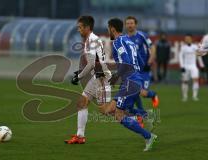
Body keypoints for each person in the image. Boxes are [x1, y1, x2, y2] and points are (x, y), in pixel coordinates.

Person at [99, 18, 157, 152]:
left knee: (118, 115)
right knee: (110, 111)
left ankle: (148, 136)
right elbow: (140, 61)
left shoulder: (118, 42)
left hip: (130, 82)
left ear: (112, 28)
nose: (108, 31)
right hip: (135, 79)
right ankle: (146, 115)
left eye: (108, 28)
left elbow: (125, 62)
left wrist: (115, 76)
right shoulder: (129, 40)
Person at [64, 16, 111, 144]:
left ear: (87, 27)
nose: (78, 30)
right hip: (96, 77)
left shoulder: (91, 41)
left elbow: (91, 64)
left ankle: (135, 118)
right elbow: (93, 62)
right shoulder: (92, 39)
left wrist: (79, 76)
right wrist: (80, 73)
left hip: (101, 79)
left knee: (106, 111)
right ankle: (80, 136)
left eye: (80, 27)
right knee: (81, 103)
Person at [124, 16, 159, 110]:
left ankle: (153, 95)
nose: (130, 25)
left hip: (144, 69)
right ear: (125, 25)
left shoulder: (142, 35)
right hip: (133, 71)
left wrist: (149, 62)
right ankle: (141, 113)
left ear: (135, 24)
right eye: (128, 23)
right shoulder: (124, 39)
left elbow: (153, 48)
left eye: (131, 23)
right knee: (134, 92)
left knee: (143, 93)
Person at [179, 34, 204, 101]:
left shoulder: (195, 47)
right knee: (185, 81)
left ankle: (194, 96)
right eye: (186, 39)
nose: (187, 40)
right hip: (185, 66)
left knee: (195, 80)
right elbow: (180, 57)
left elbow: (199, 57)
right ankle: (185, 97)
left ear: (191, 39)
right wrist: (182, 66)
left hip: (193, 66)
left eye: (188, 38)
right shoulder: (183, 47)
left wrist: (201, 65)